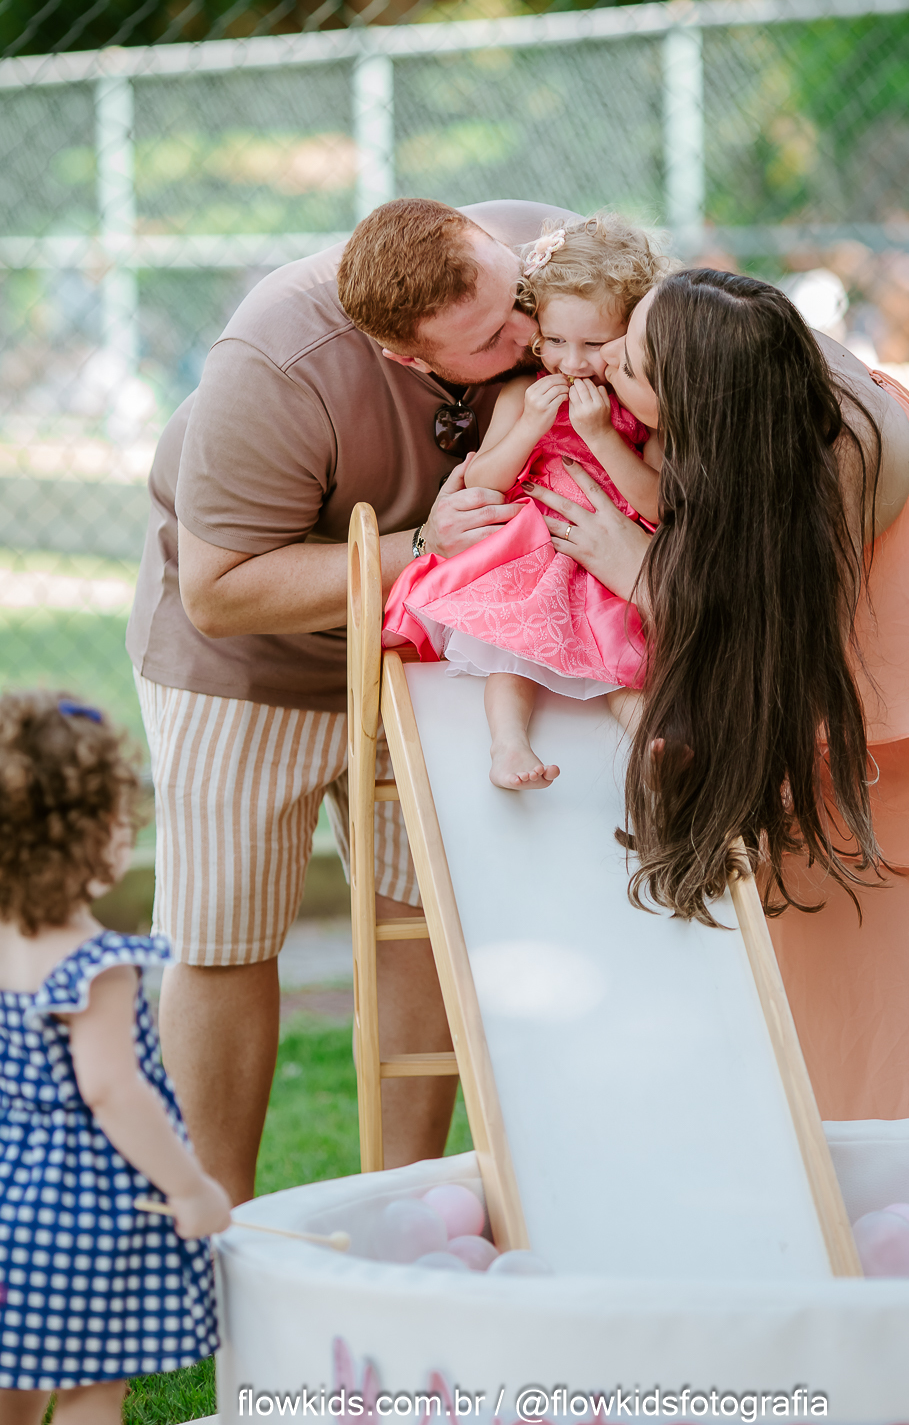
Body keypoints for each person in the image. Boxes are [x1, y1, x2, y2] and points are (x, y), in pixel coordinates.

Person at [528, 267, 909, 1122]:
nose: (601, 367)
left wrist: (641, 574)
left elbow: (763, 627)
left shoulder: (833, 468)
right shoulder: (725, 342)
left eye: (625, 366)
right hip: (891, 614)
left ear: (697, 407)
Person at [126, 197, 581, 1200]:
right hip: (251, 662)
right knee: (224, 933)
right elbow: (219, 590)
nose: (526, 335)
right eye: (489, 340)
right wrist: (419, 548)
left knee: (424, 912)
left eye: (517, 300)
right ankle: (217, 1225)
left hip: (423, 649)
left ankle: (406, 1200)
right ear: (405, 357)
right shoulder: (277, 360)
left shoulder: (543, 253)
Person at [0, 691, 230, 1415]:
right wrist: (189, 1188)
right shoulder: (96, 966)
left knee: (13, 1367)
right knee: (91, 1380)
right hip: (82, 1209)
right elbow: (112, 1092)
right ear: (95, 837)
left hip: (8, 1192)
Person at [383, 214, 668, 789]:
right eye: (556, 341)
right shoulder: (523, 389)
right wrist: (531, 425)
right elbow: (483, 480)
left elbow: (658, 502)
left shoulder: (641, 400)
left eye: (594, 345)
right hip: (534, 548)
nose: (572, 362)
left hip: (609, 557)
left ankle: (655, 747)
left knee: (622, 654)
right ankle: (508, 747)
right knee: (513, 646)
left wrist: (601, 436)